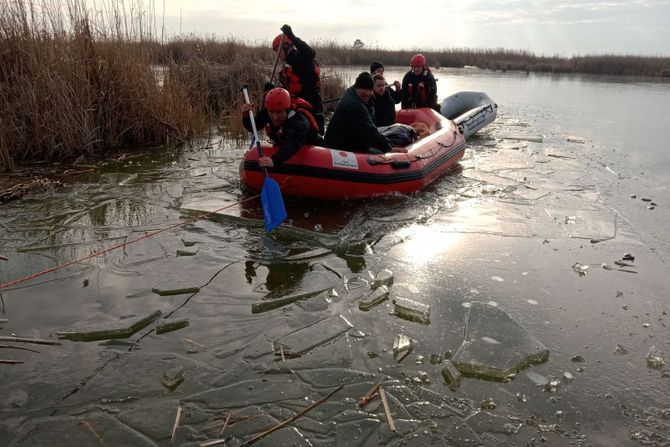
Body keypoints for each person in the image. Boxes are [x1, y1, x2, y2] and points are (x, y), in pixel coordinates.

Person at [242, 87, 322, 168]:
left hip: (311, 148)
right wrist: (246, 117)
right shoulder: (267, 112)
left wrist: (274, 160)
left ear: (287, 109)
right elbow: (253, 128)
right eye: (271, 112)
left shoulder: (299, 120)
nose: (275, 117)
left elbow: (293, 144)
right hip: (284, 146)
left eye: (279, 112)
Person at [270, 24, 324, 134]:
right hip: (298, 109)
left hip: (312, 107)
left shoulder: (301, 58)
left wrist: (292, 36)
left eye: (278, 51)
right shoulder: (286, 67)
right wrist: (271, 90)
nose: (278, 55)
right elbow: (286, 91)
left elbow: (310, 53)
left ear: (286, 46)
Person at [324, 72, 392, 154]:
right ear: (357, 88)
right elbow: (368, 130)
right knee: (380, 153)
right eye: (364, 89)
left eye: (370, 90)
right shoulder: (353, 105)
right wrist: (388, 148)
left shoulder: (355, 95)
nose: (367, 93)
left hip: (351, 141)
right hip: (340, 148)